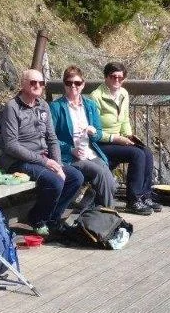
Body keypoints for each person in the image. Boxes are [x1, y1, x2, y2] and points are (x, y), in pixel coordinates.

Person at [0, 69, 84, 236]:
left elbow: (52, 138)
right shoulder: (12, 108)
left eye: (41, 83)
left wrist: (57, 164)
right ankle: (38, 219)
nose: (37, 86)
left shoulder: (43, 105)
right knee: (55, 181)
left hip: (41, 158)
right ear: (22, 84)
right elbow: (11, 145)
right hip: (18, 161)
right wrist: (45, 162)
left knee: (76, 177)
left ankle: (52, 218)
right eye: (32, 82)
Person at [89, 62, 159, 216]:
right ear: (106, 77)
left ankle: (145, 195)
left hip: (119, 139)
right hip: (101, 142)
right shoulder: (96, 96)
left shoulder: (124, 94)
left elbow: (125, 119)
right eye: (113, 77)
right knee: (137, 154)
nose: (117, 80)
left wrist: (128, 136)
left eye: (120, 78)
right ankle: (133, 200)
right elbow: (94, 130)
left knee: (146, 151)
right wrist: (116, 138)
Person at [49, 65, 118, 209]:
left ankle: (95, 212)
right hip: (70, 157)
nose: (73, 86)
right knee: (99, 173)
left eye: (77, 83)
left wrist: (93, 133)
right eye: (69, 83)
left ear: (83, 84)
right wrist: (70, 149)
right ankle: (109, 217)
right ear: (64, 85)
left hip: (90, 152)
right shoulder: (56, 107)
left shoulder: (90, 105)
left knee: (111, 183)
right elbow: (50, 138)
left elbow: (98, 133)